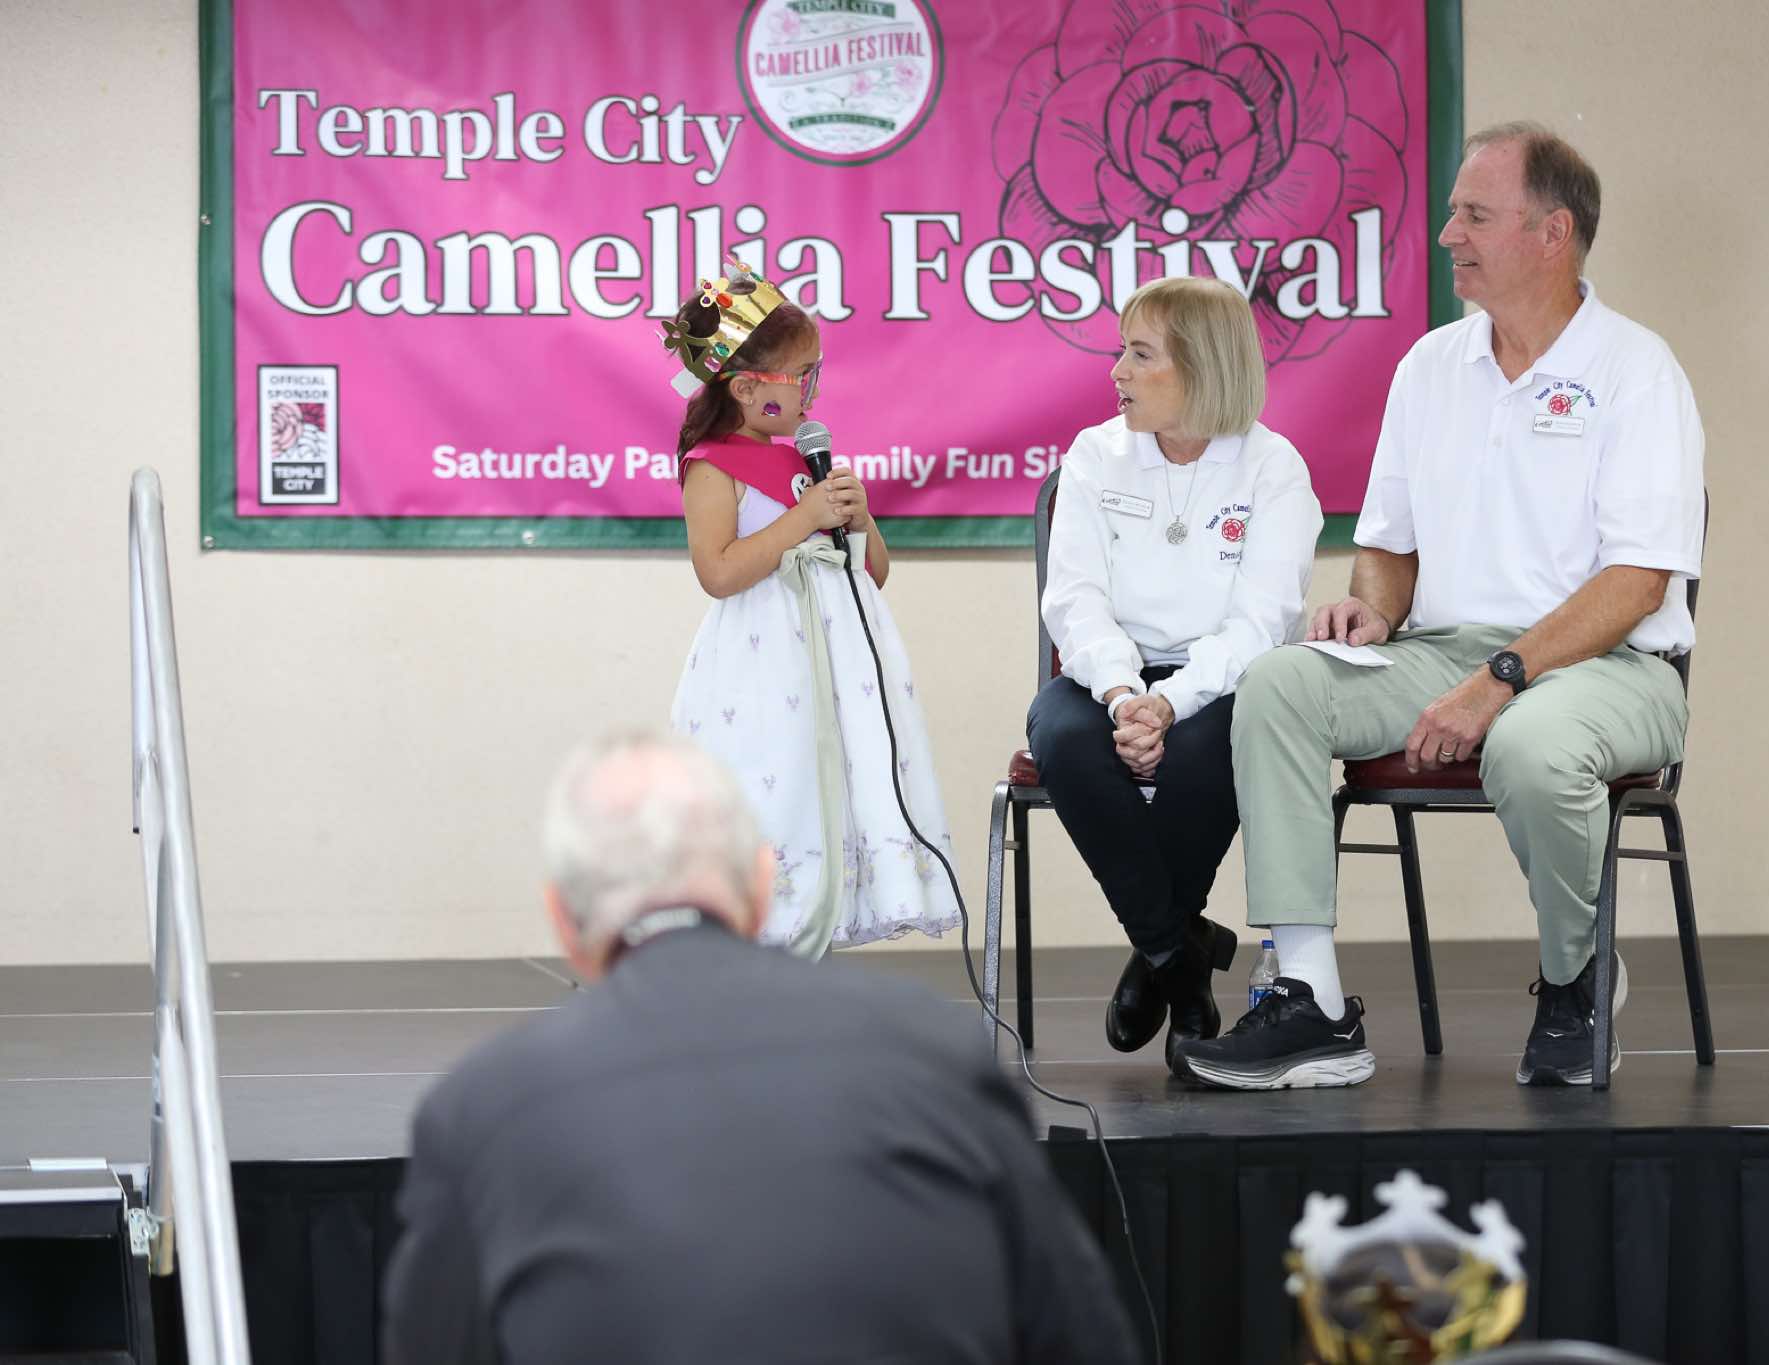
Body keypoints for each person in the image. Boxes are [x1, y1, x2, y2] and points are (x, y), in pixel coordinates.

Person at [1177, 123, 1705, 1091]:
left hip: (1613, 665)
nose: (1448, 234)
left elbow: (1636, 584)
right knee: (1281, 682)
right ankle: (1310, 1002)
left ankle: (1576, 977)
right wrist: (1372, 612)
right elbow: (1388, 545)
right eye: (1453, 213)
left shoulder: (1636, 370)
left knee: (1530, 744)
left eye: (1474, 216)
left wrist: (1499, 680)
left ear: (1552, 233)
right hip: (1442, 650)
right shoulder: (1429, 366)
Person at [382, 732, 1142, 1365]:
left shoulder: (481, 1110)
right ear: (760, 887)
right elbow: (1083, 1338)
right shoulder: (936, 1050)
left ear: (564, 922)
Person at [1030, 275, 1323, 1069]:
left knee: (1215, 746)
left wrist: (1170, 703)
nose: (1117, 371)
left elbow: (1262, 623)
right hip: (1111, 678)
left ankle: (1162, 951)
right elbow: (1075, 601)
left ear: (1200, 365)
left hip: (1225, 682)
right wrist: (1125, 693)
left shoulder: (1273, 468)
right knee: (1061, 736)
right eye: (1121, 351)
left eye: (1139, 354)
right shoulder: (1095, 454)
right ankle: (1179, 958)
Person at [664, 258, 957, 956]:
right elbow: (718, 572)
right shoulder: (713, 467)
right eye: (803, 375)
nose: (814, 389)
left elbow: (872, 573)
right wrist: (803, 519)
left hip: (838, 666)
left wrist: (860, 519)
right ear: (745, 387)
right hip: (765, 667)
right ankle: (759, 937)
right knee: (777, 784)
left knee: (836, 785)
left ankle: (816, 930)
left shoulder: (805, 460)